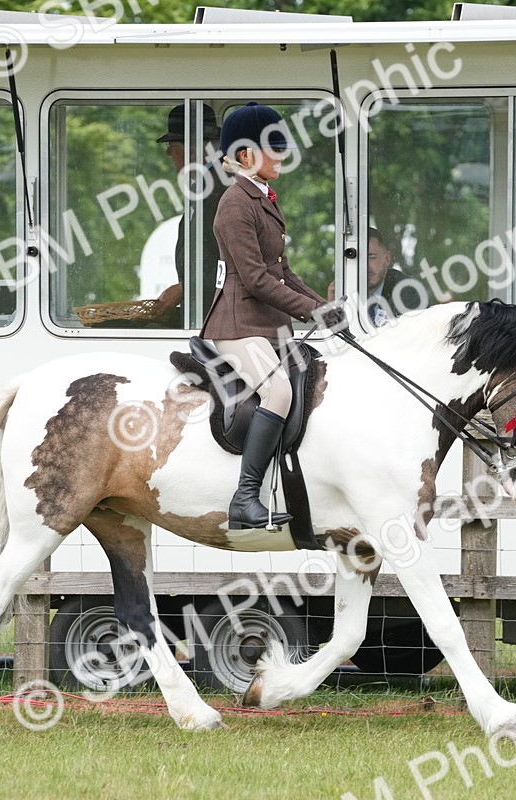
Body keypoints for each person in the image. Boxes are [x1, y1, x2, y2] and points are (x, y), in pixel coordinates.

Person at [201, 102, 347, 530]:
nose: (282, 156)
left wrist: (323, 307)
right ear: (246, 155)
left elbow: (283, 271)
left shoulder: (260, 198)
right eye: (274, 148)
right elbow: (256, 281)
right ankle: (245, 499)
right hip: (238, 326)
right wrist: (311, 313)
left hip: (264, 326)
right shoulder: (235, 204)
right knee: (279, 392)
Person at [154, 103, 226, 321]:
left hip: (220, 317)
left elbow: (233, 259)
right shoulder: (207, 183)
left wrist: (186, 288)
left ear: (192, 146)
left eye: (171, 144)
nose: (168, 152)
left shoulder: (223, 186)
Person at [329, 228, 431, 326]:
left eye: (371, 257)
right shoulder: (345, 293)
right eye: (358, 259)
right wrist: (331, 312)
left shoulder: (409, 293)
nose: (364, 266)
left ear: (387, 259)